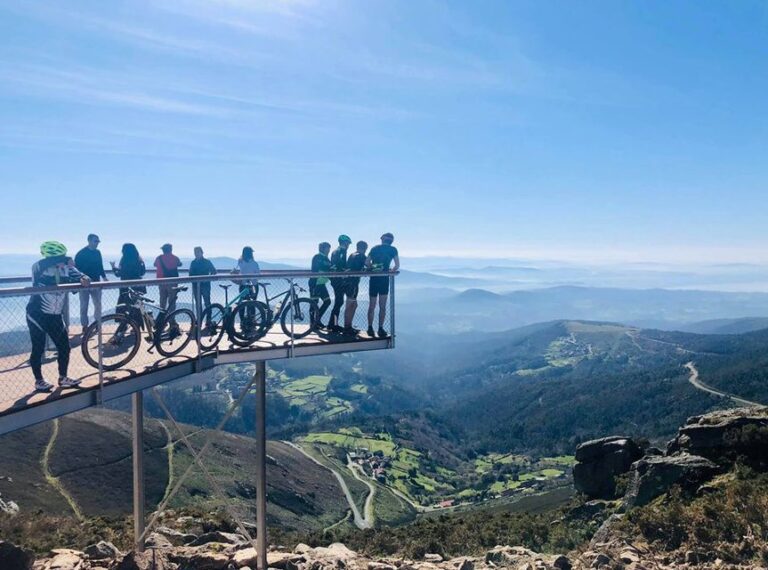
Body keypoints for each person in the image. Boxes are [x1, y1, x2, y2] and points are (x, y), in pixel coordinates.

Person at [27, 241, 90, 392]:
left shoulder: (66, 267)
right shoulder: (38, 266)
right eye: (59, 256)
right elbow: (41, 266)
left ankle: (63, 378)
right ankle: (39, 380)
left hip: (55, 315)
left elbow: (82, 276)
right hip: (37, 313)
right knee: (38, 348)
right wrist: (65, 259)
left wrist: (83, 277)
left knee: (64, 347)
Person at [366, 232, 400, 338]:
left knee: (372, 305)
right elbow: (397, 265)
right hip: (385, 279)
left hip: (374, 279)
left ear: (382, 239)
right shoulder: (393, 250)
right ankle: (380, 328)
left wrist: (373, 267)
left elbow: (367, 262)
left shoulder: (375, 248)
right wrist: (390, 270)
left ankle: (370, 328)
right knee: (382, 306)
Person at [74, 233, 107, 334]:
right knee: (84, 305)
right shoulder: (81, 253)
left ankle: (97, 323)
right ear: (89, 241)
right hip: (84, 284)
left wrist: (104, 277)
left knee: (98, 304)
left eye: (98, 241)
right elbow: (75, 269)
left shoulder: (98, 253)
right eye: (95, 241)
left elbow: (100, 265)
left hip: (96, 282)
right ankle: (85, 325)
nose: (97, 243)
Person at [111, 243, 146, 332]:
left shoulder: (124, 260)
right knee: (137, 306)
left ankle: (124, 325)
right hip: (138, 286)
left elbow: (119, 274)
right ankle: (136, 326)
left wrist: (113, 267)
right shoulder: (139, 259)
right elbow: (142, 272)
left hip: (125, 287)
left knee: (124, 306)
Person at [343, 240, 368, 335]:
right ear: (365, 248)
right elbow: (368, 265)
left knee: (353, 304)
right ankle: (347, 327)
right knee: (350, 305)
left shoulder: (352, 255)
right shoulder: (361, 256)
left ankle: (348, 326)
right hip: (353, 283)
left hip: (347, 282)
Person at [328, 235, 352, 331]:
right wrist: (346, 271)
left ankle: (333, 324)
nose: (348, 245)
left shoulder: (336, 251)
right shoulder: (341, 251)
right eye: (348, 243)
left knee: (339, 302)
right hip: (338, 280)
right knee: (339, 302)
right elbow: (338, 266)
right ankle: (333, 324)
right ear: (344, 242)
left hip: (336, 280)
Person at [189, 246, 217, 327]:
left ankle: (208, 320)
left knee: (207, 303)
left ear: (202, 252)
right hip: (196, 286)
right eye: (195, 252)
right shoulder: (193, 262)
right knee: (199, 304)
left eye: (198, 252)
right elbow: (190, 274)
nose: (196, 254)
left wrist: (207, 278)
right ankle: (200, 320)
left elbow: (214, 271)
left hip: (204, 285)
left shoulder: (207, 262)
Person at [309, 242, 332, 330]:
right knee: (314, 304)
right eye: (327, 248)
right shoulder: (317, 257)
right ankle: (312, 324)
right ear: (322, 248)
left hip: (322, 284)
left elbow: (330, 268)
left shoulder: (326, 258)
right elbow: (318, 268)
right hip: (315, 283)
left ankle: (317, 320)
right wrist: (329, 268)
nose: (329, 250)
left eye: (329, 248)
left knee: (327, 302)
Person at [154, 243, 182, 314]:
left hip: (161, 282)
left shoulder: (159, 258)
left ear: (163, 250)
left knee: (162, 302)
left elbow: (155, 264)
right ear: (171, 249)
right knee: (172, 302)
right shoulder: (175, 258)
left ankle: (162, 320)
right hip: (172, 282)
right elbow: (179, 264)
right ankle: (172, 321)